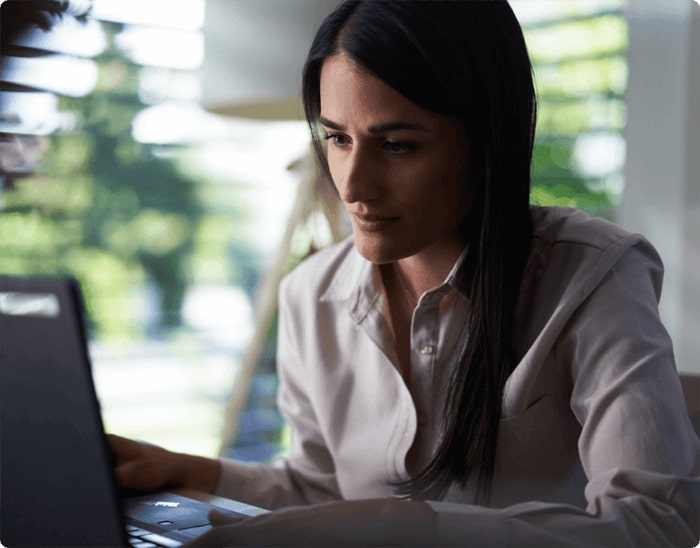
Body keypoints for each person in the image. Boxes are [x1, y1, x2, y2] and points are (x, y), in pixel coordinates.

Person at [110, 0, 700, 545]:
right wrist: (189, 470)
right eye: (337, 139)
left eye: (395, 146)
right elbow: (323, 493)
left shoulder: (595, 276)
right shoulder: (308, 296)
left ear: (486, 140)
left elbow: (655, 523)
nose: (353, 187)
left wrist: (415, 525)